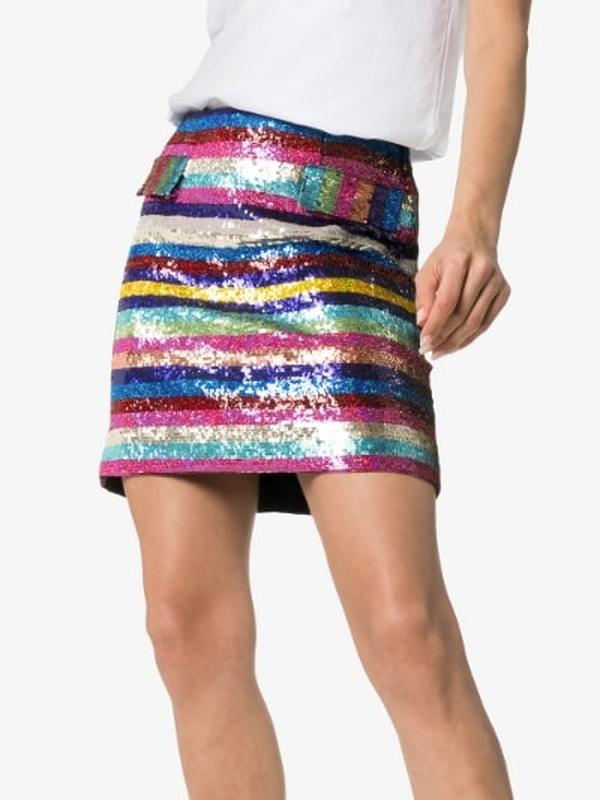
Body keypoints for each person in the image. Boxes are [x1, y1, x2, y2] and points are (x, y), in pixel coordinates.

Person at [98, 0, 531, 797]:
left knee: (406, 629)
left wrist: (476, 224)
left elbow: (501, 32)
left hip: (350, 225)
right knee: (185, 628)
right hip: (191, 213)